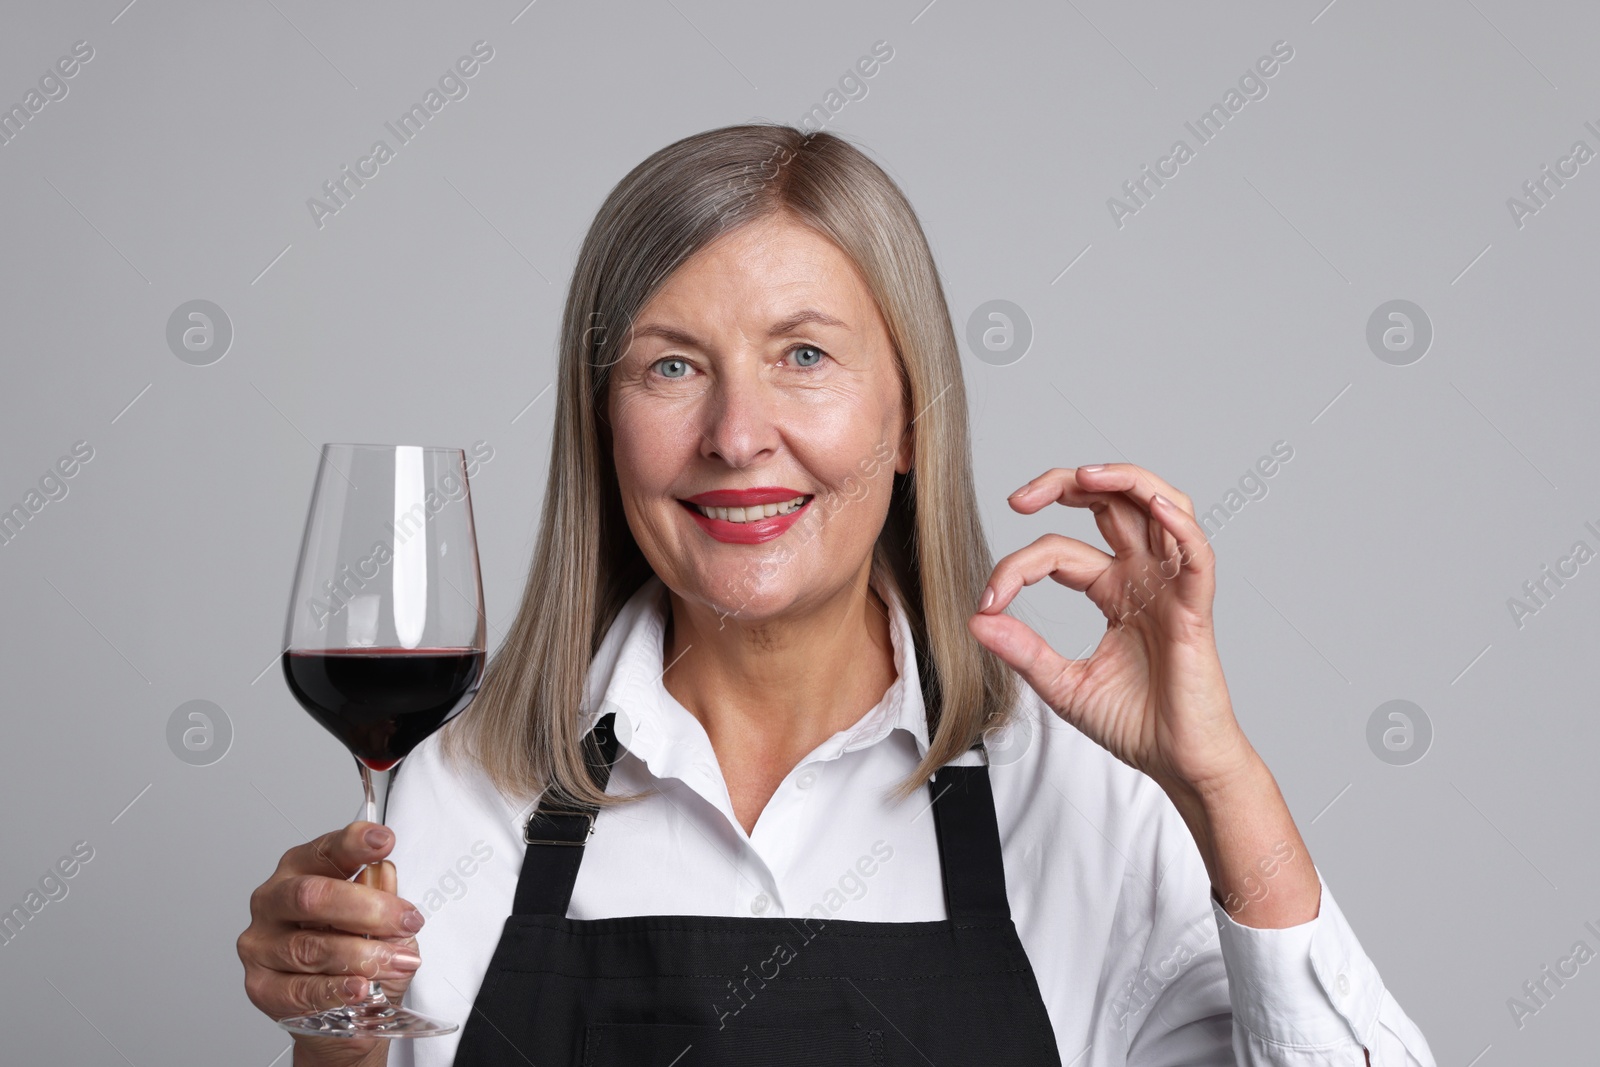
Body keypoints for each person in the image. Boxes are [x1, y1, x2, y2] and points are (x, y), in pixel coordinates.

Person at [239, 124, 1437, 1066]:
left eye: (803, 355)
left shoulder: (1086, 803)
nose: (735, 434)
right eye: (671, 365)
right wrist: (323, 1029)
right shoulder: (463, 791)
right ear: (604, 427)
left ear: (909, 415)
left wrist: (1223, 787)